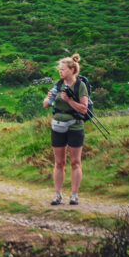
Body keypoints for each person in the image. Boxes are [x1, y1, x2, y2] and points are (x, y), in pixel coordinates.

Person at [43, 53, 90, 205]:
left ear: (72, 70)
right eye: (60, 69)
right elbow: (46, 104)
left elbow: (84, 109)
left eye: (63, 69)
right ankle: (57, 195)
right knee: (59, 162)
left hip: (75, 126)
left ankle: (74, 195)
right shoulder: (57, 85)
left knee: (75, 162)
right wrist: (48, 98)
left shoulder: (80, 86)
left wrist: (69, 100)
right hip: (57, 126)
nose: (60, 71)